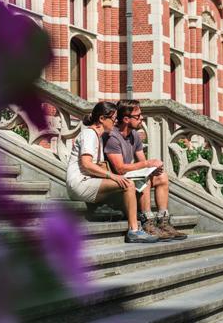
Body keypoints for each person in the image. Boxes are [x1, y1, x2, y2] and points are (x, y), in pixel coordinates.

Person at [66, 101, 158, 243]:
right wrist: (113, 176)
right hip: (79, 183)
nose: (115, 123)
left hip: (90, 181)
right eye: (113, 119)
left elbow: (99, 165)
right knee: (128, 185)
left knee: (131, 182)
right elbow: (86, 164)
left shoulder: (101, 136)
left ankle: (134, 218)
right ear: (102, 119)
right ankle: (134, 231)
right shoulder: (89, 134)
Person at [104, 99, 187, 241]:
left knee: (162, 177)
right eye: (138, 116)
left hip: (129, 177)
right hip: (117, 182)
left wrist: (152, 168)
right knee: (145, 179)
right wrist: (147, 165)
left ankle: (163, 221)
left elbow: (142, 162)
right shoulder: (113, 137)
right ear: (125, 119)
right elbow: (119, 168)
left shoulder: (134, 135)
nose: (141, 118)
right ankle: (147, 221)